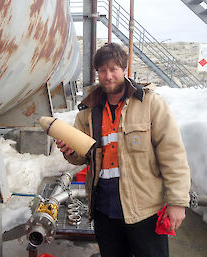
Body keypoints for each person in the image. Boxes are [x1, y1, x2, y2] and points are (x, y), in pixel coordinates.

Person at [56, 43, 190, 257]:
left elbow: (172, 156)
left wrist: (177, 202)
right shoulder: (87, 113)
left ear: (124, 69)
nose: (108, 76)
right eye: (102, 70)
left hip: (144, 208)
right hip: (104, 209)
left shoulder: (150, 104)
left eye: (113, 69)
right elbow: (83, 156)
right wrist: (69, 150)